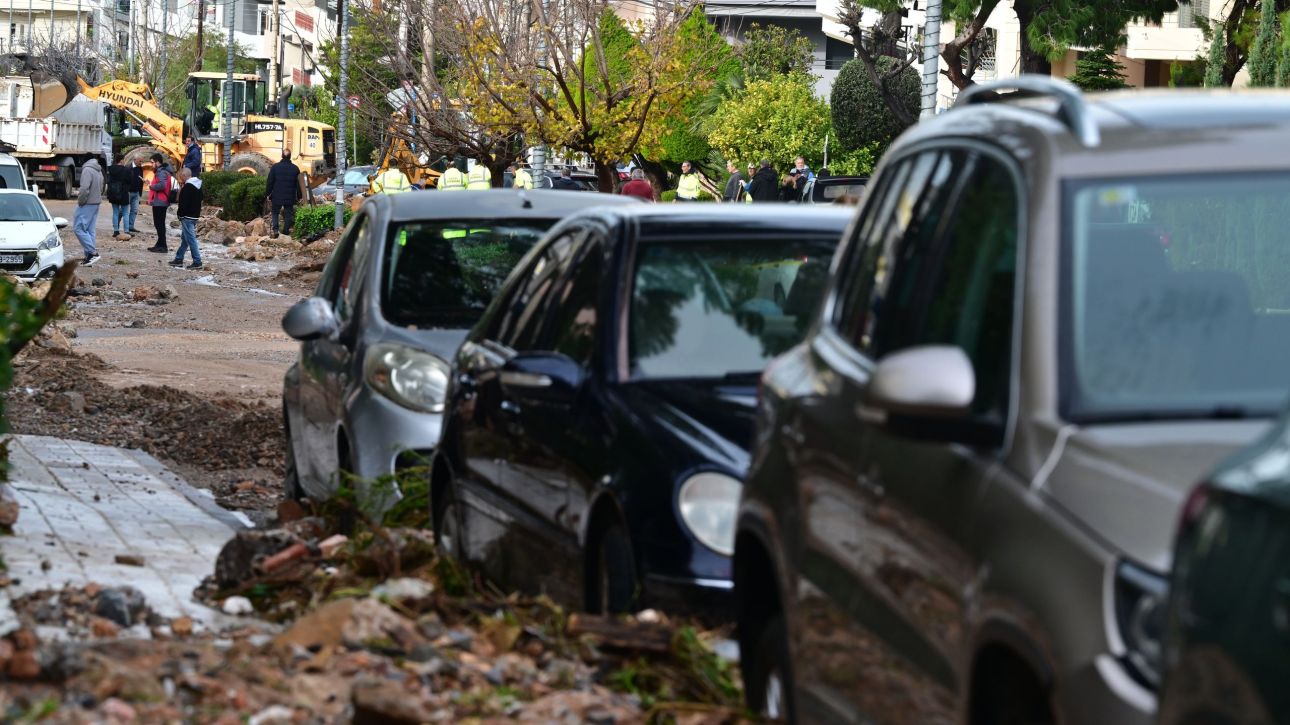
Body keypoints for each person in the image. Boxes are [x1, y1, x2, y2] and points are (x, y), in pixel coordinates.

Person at [171, 168, 204, 270]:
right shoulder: (198, 185)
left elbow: (183, 203)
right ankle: (179, 258)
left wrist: (180, 215)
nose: (180, 179)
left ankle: (197, 261)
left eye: (181, 176)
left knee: (190, 239)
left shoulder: (187, 187)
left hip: (187, 216)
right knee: (185, 239)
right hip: (194, 215)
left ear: (184, 175)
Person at [74, 155, 104, 266]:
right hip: (96, 203)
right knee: (90, 230)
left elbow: (84, 188)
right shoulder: (99, 170)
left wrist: (81, 202)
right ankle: (89, 257)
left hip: (87, 203)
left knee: (78, 228)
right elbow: (102, 187)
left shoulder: (87, 169)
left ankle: (92, 253)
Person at [264, 150, 302, 237]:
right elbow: (298, 185)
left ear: (282, 156)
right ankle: (285, 231)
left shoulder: (275, 167)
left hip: (277, 196)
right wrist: (299, 196)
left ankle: (276, 230)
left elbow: (270, 182)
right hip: (290, 196)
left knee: (275, 212)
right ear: (290, 156)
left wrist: (268, 194)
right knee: (288, 213)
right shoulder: (295, 168)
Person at [146, 153, 176, 253]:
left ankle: (163, 246)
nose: (151, 164)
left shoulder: (161, 172)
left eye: (152, 162)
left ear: (158, 162)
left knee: (159, 224)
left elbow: (162, 185)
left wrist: (151, 186)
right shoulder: (162, 171)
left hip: (160, 201)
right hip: (160, 201)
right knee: (159, 223)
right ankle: (159, 244)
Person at [106, 153, 132, 236]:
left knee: (115, 212)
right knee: (125, 213)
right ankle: (126, 230)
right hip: (123, 193)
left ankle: (116, 230)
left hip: (113, 193)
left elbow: (108, 181)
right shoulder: (126, 170)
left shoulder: (110, 169)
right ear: (121, 160)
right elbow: (129, 181)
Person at [128, 156, 144, 232]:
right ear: (135, 160)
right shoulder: (128, 167)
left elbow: (141, 179)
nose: (141, 163)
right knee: (122, 210)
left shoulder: (140, 168)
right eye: (140, 161)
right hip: (128, 192)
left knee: (134, 210)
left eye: (142, 161)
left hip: (136, 192)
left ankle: (130, 226)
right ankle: (116, 225)